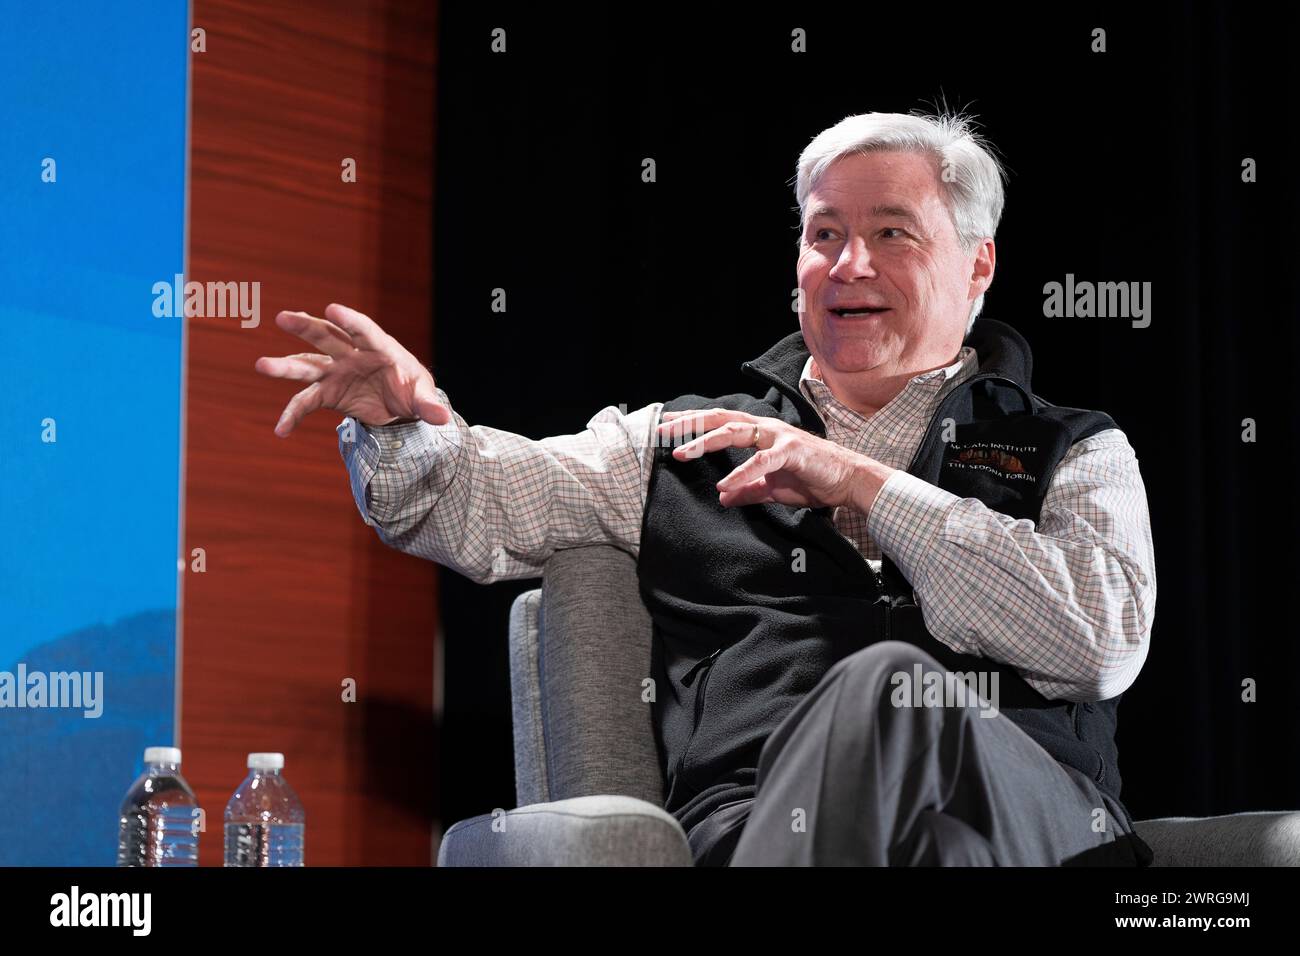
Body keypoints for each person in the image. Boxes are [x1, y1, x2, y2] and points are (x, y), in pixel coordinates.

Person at [255, 109, 1157, 866]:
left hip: (1036, 828)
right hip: (762, 828)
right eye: (824, 234)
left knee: (895, 698)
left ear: (977, 265)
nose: (849, 265)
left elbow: (1096, 641)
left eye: (891, 232)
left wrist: (865, 486)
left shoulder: (1073, 448)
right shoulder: (684, 441)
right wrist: (402, 426)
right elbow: (478, 502)